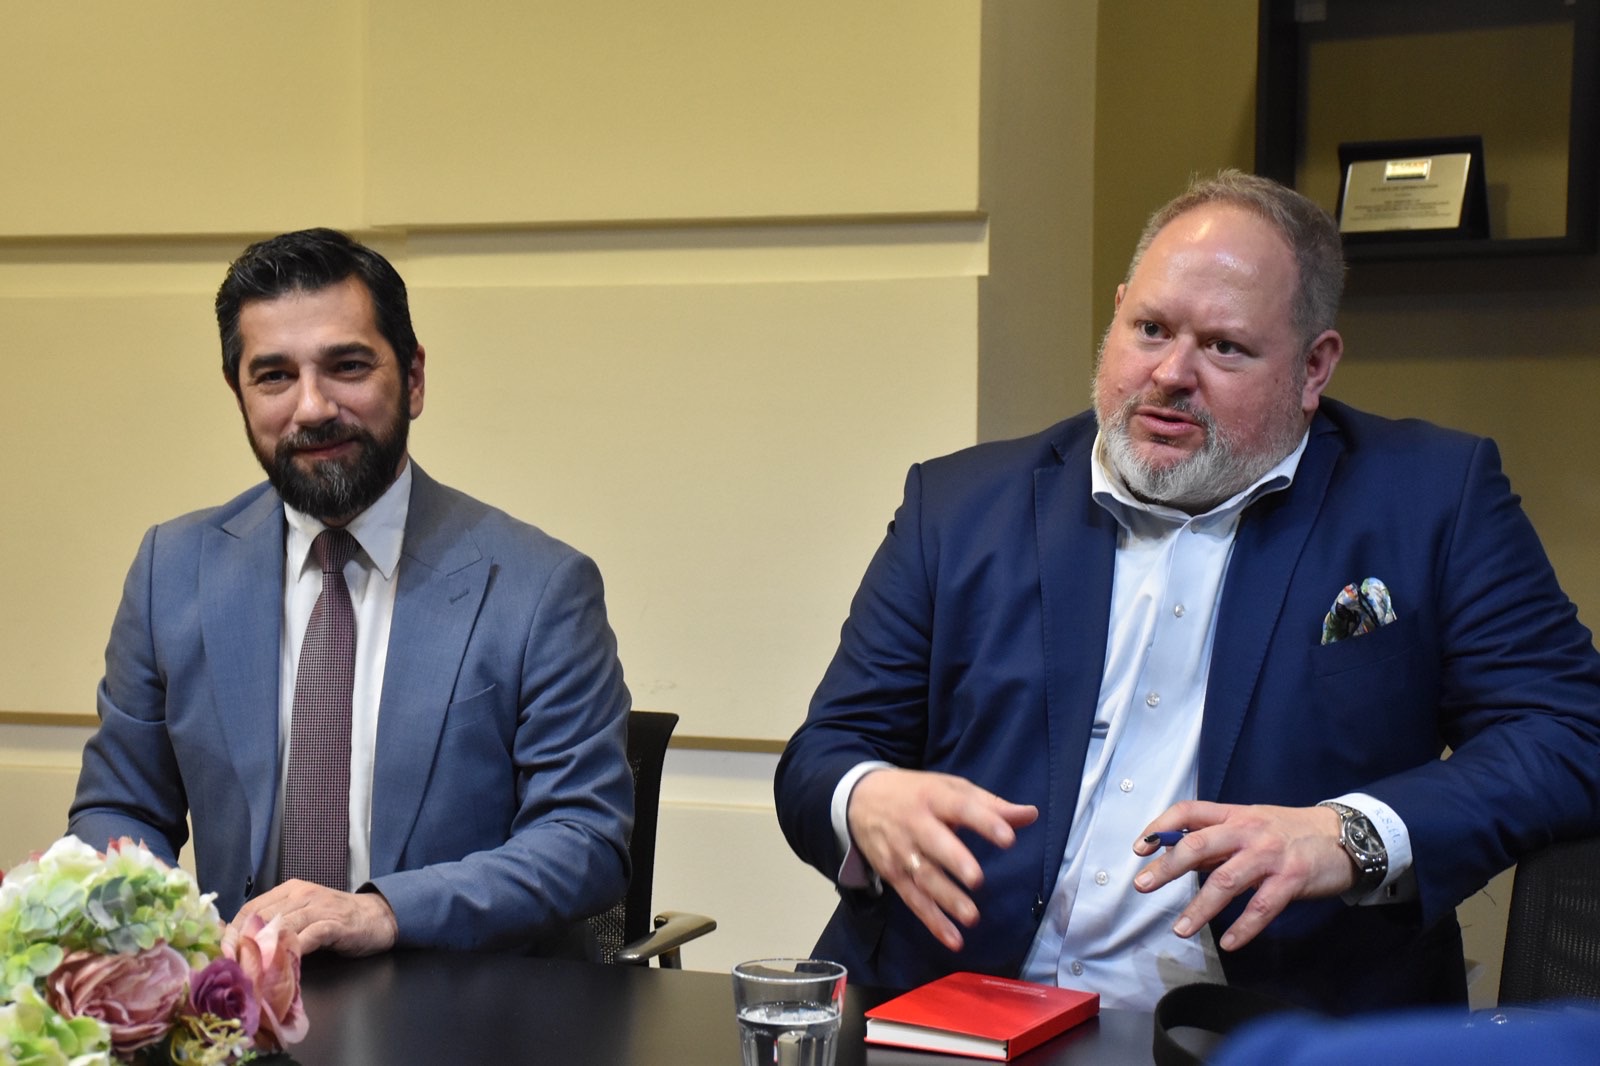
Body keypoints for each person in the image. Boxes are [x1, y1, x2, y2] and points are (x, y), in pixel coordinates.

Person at [774, 170, 1600, 1013]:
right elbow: (824, 755)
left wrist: (1350, 833)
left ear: (1314, 367)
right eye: (1150, 328)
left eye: (1224, 347)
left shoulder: (1430, 500)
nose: (1170, 372)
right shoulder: (958, 506)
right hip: (953, 1011)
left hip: (1269, 1029)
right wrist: (864, 797)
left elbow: (1571, 732)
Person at [70, 228, 633, 959]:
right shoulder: (171, 572)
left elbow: (584, 841)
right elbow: (118, 810)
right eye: (274, 376)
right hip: (239, 1002)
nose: (312, 407)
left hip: (458, 1003)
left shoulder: (539, 588)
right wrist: (174, 932)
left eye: (347, 366)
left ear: (414, 378)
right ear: (239, 394)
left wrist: (383, 913)